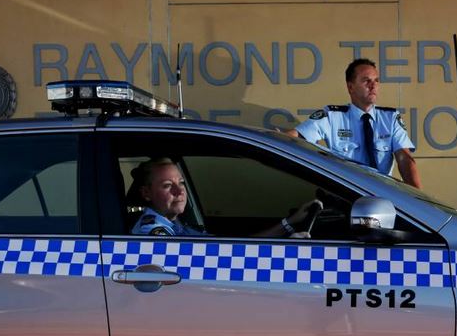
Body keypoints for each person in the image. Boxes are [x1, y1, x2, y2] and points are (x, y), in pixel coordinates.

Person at [287, 58, 421, 188]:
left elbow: (404, 158)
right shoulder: (332, 117)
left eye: (376, 80)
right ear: (351, 87)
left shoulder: (390, 118)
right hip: (348, 196)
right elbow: (296, 137)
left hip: (383, 196)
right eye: (366, 81)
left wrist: (417, 200)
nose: (373, 85)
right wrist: (278, 138)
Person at [130, 157, 319, 237]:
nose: (179, 192)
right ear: (146, 193)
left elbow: (230, 248)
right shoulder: (153, 231)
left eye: (181, 183)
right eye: (167, 186)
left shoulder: (176, 225)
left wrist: (289, 223)